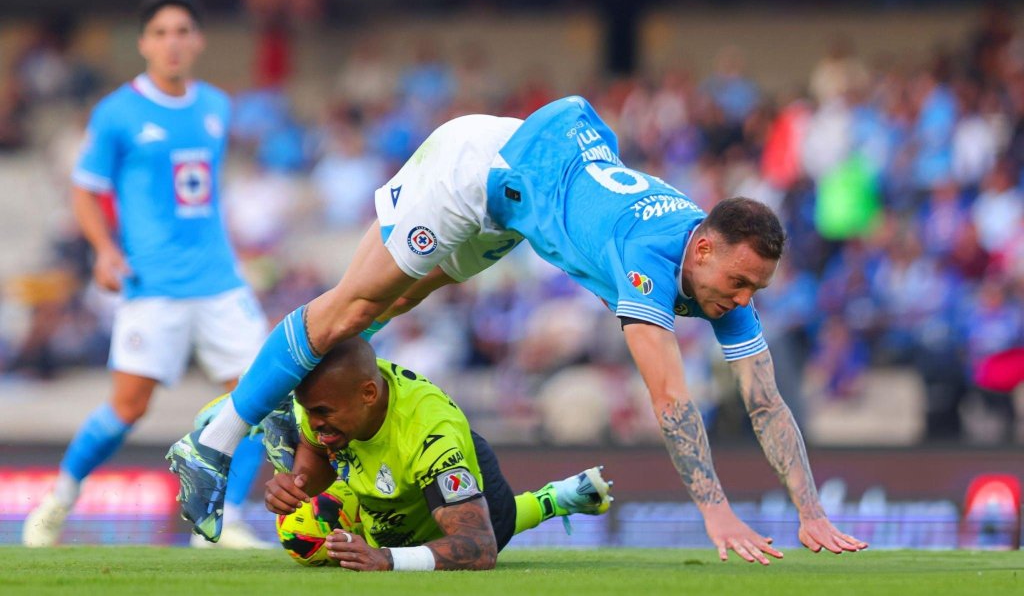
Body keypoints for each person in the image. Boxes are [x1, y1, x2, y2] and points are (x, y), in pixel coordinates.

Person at [170, 95, 868, 563]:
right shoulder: (649, 259)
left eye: (755, 290)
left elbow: (765, 397)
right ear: (705, 248)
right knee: (352, 307)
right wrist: (717, 513)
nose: (743, 300)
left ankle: (269, 402)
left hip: (516, 201)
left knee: (395, 305)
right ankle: (215, 439)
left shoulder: (717, 274)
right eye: (740, 283)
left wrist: (808, 510)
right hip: (478, 166)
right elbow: (671, 399)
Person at [23, 0, 270, 549]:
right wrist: (105, 250)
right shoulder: (118, 112)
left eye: (182, 31)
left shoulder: (216, 106)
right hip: (153, 285)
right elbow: (85, 189)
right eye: (160, 33)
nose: (172, 43)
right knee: (128, 408)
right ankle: (58, 500)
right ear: (143, 43)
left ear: (198, 40)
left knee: (260, 401)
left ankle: (223, 521)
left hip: (219, 281)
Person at [261, 337, 612, 570]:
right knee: (299, 534)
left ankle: (552, 500)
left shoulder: (431, 439)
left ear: (369, 394)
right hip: (384, 478)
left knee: (452, 535)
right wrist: (294, 485)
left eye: (322, 413)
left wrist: (386, 559)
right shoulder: (332, 396)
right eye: (309, 412)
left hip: (462, 480)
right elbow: (314, 456)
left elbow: (478, 547)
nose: (314, 422)